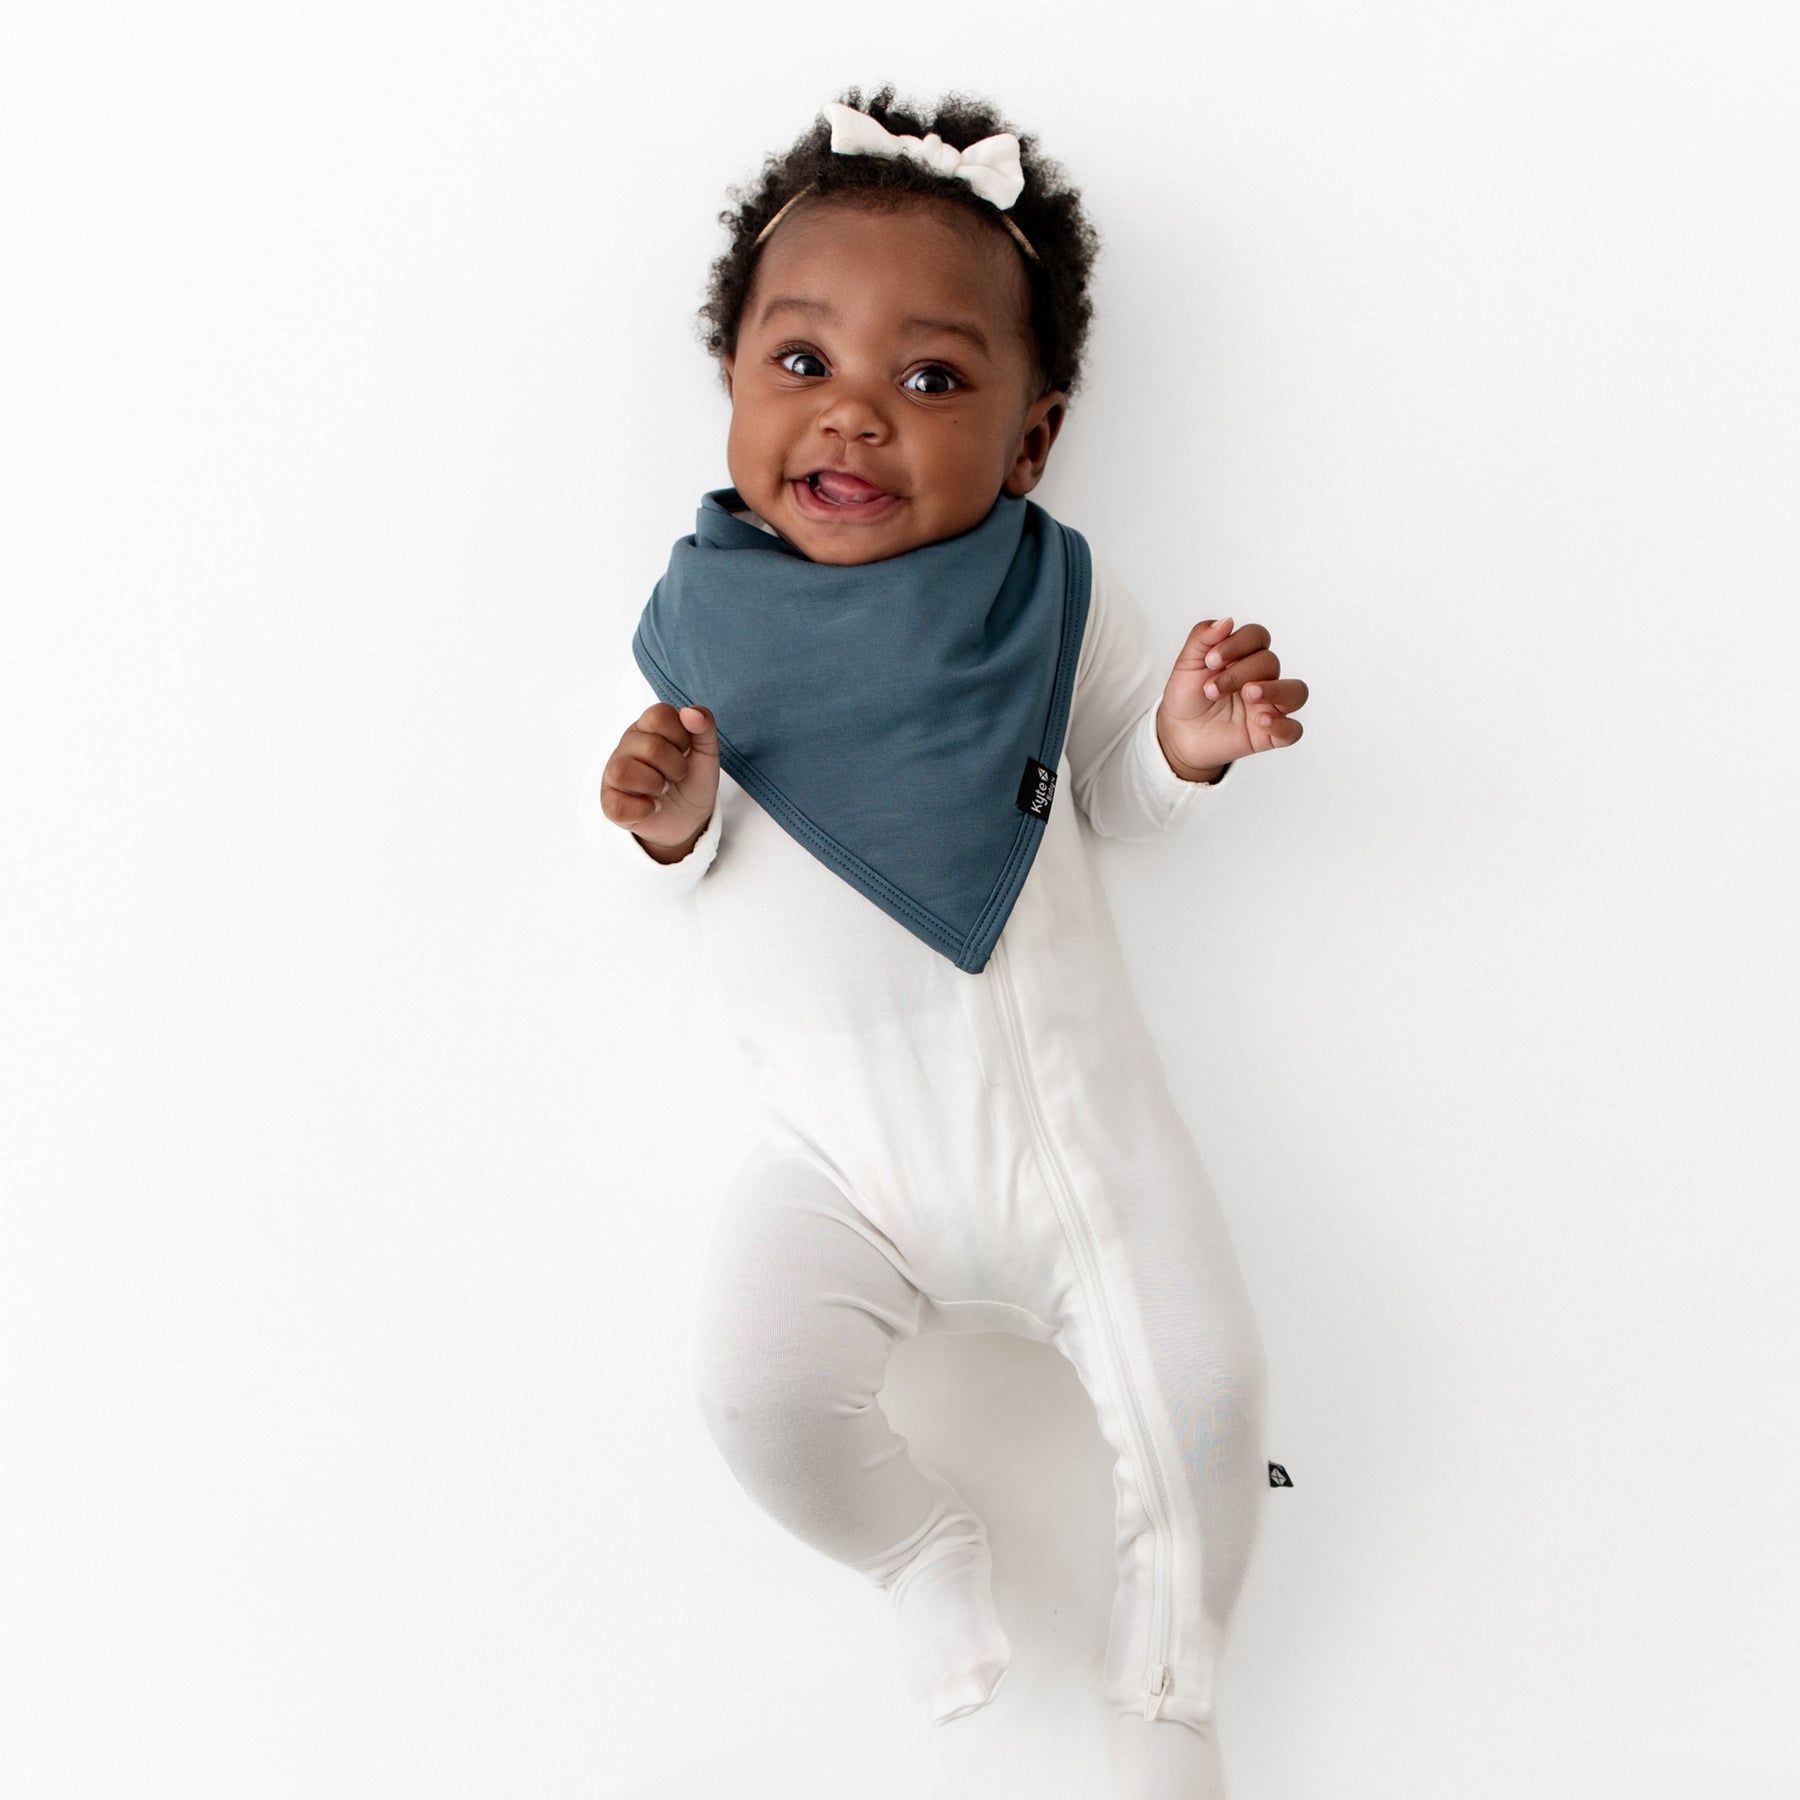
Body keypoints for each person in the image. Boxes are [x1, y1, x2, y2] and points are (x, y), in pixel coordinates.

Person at [578, 87, 1309, 1798]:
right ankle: (917, 1551)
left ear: (1034, 438)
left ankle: (1165, 1703)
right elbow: (668, 863)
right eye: (803, 363)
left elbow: (1116, 794)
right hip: (831, 1155)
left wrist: (1187, 744)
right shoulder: (697, 621)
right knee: (753, 1393)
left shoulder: (1053, 595)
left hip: (1081, 1147)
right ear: (736, 386)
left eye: (931, 380)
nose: (854, 420)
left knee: (1210, 1402)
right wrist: (658, 812)